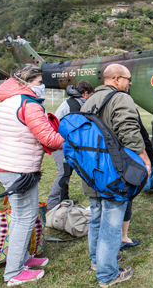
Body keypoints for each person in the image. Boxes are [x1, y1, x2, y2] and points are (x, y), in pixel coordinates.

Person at [0, 65, 64, 286]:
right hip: (19, 169)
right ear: (28, 82)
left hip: (4, 163)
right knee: (24, 217)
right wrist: (72, 143)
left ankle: (21, 257)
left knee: (23, 215)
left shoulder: (7, 101)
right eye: (40, 82)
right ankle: (14, 272)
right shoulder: (29, 105)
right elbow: (49, 139)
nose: (42, 87)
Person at [80, 64, 151, 287]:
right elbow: (129, 131)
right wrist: (145, 158)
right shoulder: (120, 98)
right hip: (113, 173)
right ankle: (107, 274)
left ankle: (96, 260)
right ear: (117, 78)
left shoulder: (89, 100)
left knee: (97, 217)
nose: (130, 84)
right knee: (112, 222)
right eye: (129, 79)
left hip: (91, 171)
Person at [46, 81, 94, 211]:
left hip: (63, 140)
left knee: (68, 170)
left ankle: (64, 199)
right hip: (59, 142)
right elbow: (75, 128)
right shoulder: (74, 105)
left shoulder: (75, 102)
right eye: (90, 94)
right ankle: (51, 204)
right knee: (63, 172)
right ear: (85, 94)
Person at [120, 108, 153, 251]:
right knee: (125, 199)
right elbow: (135, 136)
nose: (129, 83)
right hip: (127, 161)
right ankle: (122, 238)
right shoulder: (125, 108)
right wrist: (146, 160)